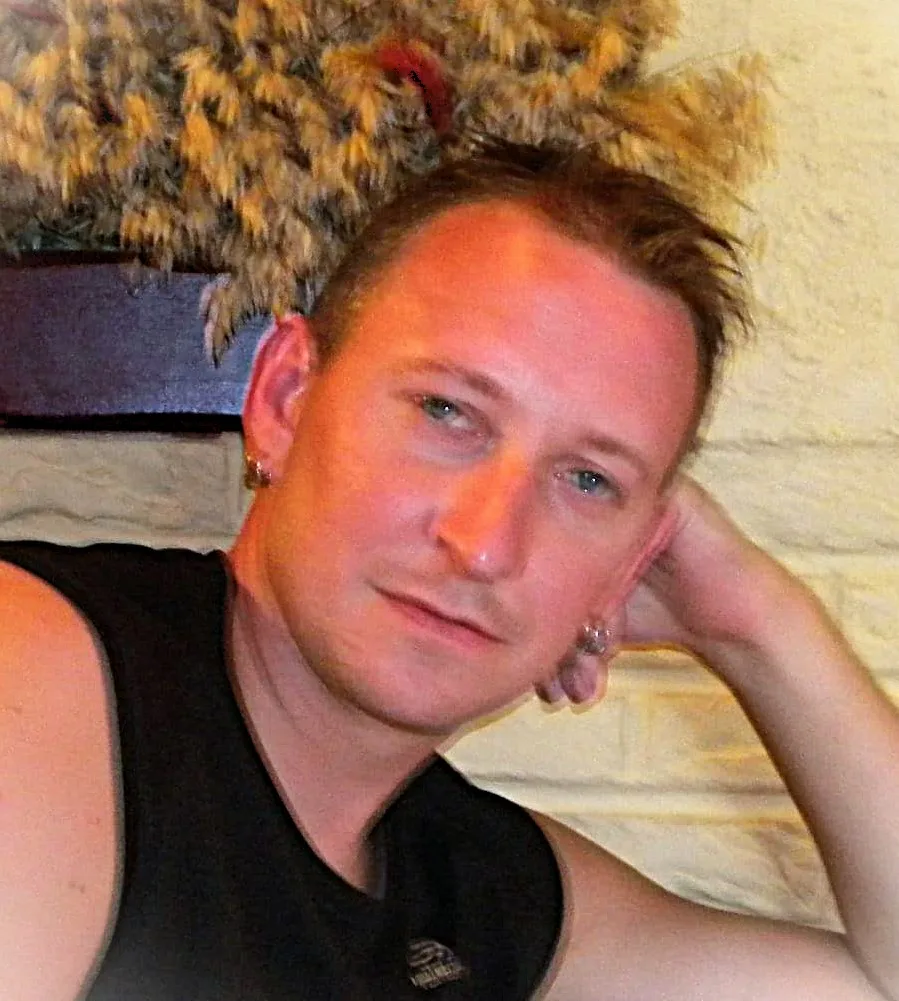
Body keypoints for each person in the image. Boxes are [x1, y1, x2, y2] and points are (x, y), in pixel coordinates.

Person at [2, 145, 897, 1001]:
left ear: (630, 560)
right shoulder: (35, 676)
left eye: (588, 479)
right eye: (446, 411)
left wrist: (754, 621)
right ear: (284, 399)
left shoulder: (470, 888)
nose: (485, 542)